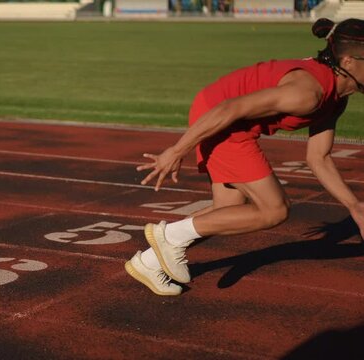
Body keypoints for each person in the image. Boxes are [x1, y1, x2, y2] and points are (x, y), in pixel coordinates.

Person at [125, 18, 364, 296]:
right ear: (348, 62)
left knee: (228, 211)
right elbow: (230, 107)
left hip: (227, 118)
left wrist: (355, 207)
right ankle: (168, 237)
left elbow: (318, 157)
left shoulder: (337, 98)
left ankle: (149, 262)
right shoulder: (307, 93)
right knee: (274, 210)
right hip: (220, 118)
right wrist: (176, 151)